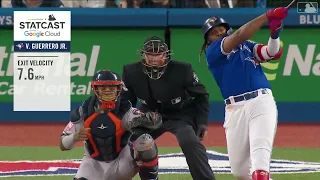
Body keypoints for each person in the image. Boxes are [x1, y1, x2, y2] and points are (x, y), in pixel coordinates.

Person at [199, 7, 288, 180]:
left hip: (261, 101)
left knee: (259, 169)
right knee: (240, 171)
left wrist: (274, 35)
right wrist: (267, 16)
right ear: (208, 40)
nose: (219, 33)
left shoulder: (246, 46)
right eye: (214, 33)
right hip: (234, 109)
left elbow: (271, 53)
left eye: (222, 30)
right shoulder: (214, 52)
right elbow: (240, 34)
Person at [122, 36, 215, 180]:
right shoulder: (131, 72)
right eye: (150, 54)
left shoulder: (183, 69)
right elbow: (126, 103)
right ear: (143, 55)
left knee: (189, 141)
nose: (154, 58)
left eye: (158, 54)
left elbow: (201, 96)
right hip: (148, 115)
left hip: (180, 114)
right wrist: (125, 126)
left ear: (166, 55)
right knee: (131, 142)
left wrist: (202, 122)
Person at [59, 70, 162, 180]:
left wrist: (151, 119)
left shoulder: (126, 110)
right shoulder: (83, 113)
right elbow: (63, 145)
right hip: (94, 164)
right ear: (95, 89)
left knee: (145, 141)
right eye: (103, 88)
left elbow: (154, 122)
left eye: (112, 88)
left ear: (118, 89)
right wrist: (75, 137)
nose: (108, 91)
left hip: (122, 163)